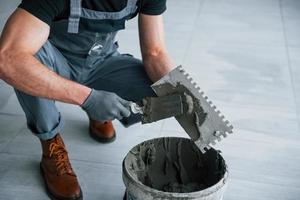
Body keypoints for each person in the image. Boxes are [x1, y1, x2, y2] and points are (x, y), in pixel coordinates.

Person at [0, 0, 174, 199]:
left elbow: (155, 53)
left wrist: (185, 95)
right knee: (25, 63)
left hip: (102, 61)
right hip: (56, 62)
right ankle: (51, 144)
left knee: (162, 89)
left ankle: (101, 109)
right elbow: (7, 59)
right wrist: (89, 98)